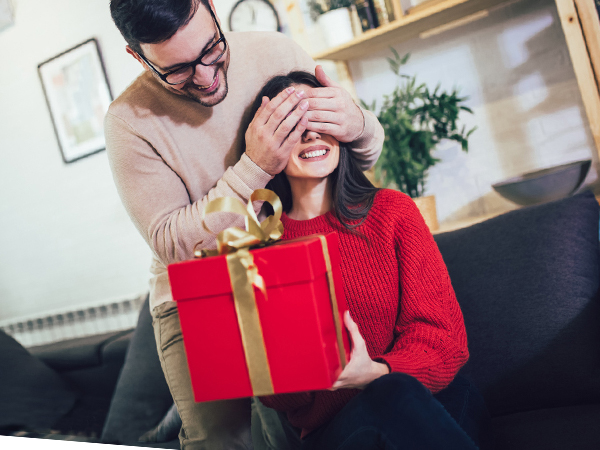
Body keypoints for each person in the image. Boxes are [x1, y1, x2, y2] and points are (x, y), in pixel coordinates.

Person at [105, 0, 384, 449]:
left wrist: (360, 125)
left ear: (213, 8)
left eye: (211, 49)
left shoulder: (277, 53)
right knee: (222, 440)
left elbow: (349, 163)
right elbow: (172, 245)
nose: (205, 76)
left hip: (293, 263)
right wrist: (254, 166)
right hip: (199, 289)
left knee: (325, 424)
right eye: (176, 70)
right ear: (137, 56)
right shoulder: (127, 123)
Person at [250, 71, 484, 450]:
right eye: (293, 126)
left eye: (319, 119)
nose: (311, 134)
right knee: (392, 398)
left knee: (400, 393)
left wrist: (374, 373)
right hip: (339, 428)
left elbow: (445, 339)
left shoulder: (393, 212)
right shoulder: (262, 249)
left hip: (428, 397)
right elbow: (276, 397)